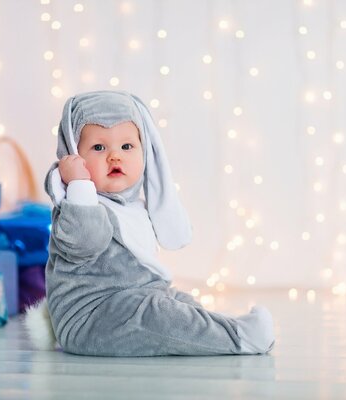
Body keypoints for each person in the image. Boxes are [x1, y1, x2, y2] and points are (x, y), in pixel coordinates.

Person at [24, 90, 275, 356]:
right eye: (99, 147)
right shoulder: (77, 205)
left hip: (138, 299)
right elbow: (86, 243)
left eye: (127, 146)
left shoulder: (134, 207)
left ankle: (226, 329)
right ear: (73, 154)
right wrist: (79, 184)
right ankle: (241, 339)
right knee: (159, 316)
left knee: (180, 304)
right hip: (91, 317)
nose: (114, 156)